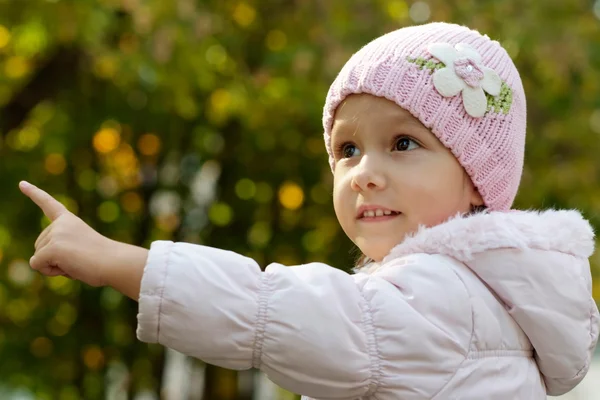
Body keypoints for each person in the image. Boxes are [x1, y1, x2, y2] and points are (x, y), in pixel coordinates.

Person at [19, 22, 599, 399]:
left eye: (403, 144)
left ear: (477, 179)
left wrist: (121, 262)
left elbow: (272, 312)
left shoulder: (442, 297)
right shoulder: (490, 297)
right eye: (347, 150)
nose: (365, 172)